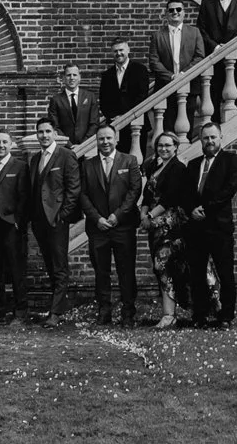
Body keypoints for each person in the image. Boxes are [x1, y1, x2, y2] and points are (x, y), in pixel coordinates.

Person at [79, 124, 142, 325]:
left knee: (126, 270)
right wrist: (97, 218)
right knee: (101, 271)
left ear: (116, 139)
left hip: (123, 226)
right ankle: (104, 310)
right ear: (96, 141)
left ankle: (127, 312)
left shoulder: (130, 161)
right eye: (101, 139)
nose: (105, 142)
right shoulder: (88, 166)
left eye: (108, 138)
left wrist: (117, 215)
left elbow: (134, 191)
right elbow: (82, 194)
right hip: (98, 228)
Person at [26, 116, 82, 324]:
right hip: (39, 221)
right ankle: (57, 306)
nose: (44, 136)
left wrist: (63, 215)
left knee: (59, 265)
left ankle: (56, 313)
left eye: (48, 131)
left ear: (55, 134)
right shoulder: (34, 159)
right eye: (40, 132)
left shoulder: (66, 156)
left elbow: (73, 188)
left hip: (57, 219)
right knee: (49, 264)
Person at [188, 122, 237, 327]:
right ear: (200, 140)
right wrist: (192, 209)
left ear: (221, 137)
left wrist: (205, 209)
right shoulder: (193, 165)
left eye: (213, 137)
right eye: (205, 138)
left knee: (225, 273)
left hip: (219, 227)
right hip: (196, 228)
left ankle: (226, 316)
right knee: (197, 274)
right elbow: (186, 193)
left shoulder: (231, 161)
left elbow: (229, 189)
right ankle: (199, 316)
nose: (209, 141)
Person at [140, 131, 191, 329]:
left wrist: (151, 216)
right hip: (153, 226)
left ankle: (170, 315)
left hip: (170, 226)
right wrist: (143, 214)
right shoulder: (154, 166)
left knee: (164, 265)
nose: (164, 149)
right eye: (160, 145)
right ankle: (169, 313)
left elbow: (170, 197)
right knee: (159, 265)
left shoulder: (178, 168)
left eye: (168, 145)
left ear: (176, 147)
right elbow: (146, 195)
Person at [0, 131, 29, 323]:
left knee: (16, 269)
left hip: (11, 226)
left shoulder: (20, 167)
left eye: (4, 142)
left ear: (12, 144)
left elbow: (25, 197)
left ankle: (20, 310)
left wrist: (19, 221)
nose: (0, 145)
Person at [150, 0, 207, 83]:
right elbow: (154, 61)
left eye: (178, 9)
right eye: (171, 10)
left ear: (184, 13)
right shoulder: (157, 36)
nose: (175, 12)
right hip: (165, 85)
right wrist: (171, 77)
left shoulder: (195, 32)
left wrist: (184, 74)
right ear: (166, 14)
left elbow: (200, 57)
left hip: (190, 84)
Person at [99, 38, 153, 127]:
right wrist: (113, 116)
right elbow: (103, 101)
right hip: (114, 124)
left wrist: (124, 116)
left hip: (136, 121)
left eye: (121, 50)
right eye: (115, 51)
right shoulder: (106, 75)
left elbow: (142, 96)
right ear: (112, 53)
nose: (118, 53)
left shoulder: (140, 70)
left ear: (128, 50)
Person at [46, 63, 99, 145]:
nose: (72, 78)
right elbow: (55, 126)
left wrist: (83, 145)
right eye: (68, 75)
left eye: (74, 75)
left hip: (86, 147)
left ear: (79, 78)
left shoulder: (90, 97)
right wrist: (68, 144)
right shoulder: (56, 100)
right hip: (64, 147)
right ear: (63, 78)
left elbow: (94, 123)